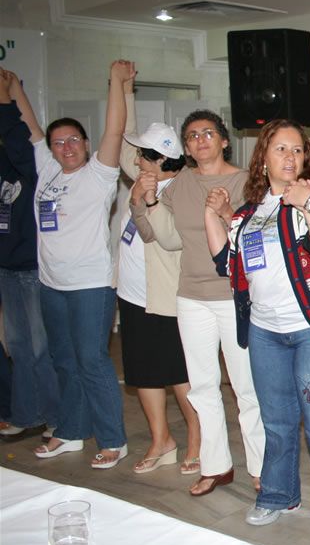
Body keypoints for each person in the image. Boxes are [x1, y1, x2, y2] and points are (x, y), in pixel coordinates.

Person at [204, 118, 310, 537]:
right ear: (263, 158)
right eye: (280, 149)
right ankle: (278, 494)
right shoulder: (250, 212)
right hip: (265, 333)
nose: (290, 157)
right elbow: (228, 264)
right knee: (275, 420)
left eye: (297, 149)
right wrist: (214, 215)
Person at [131, 110, 264, 494]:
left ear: (223, 140)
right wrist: (147, 202)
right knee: (202, 387)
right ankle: (216, 465)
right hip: (191, 297)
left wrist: (227, 213)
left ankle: (261, 467)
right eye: (192, 135)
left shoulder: (246, 182)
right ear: (186, 148)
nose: (200, 139)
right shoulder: (181, 184)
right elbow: (164, 238)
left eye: (208, 133)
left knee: (246, 388)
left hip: (234, 296)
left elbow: (255, 240)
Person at [28, 60, 134, 467]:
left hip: (90, 286)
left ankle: (113, 440)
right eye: (59, 142)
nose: (66, 147)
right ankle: (71, 431)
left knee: (91, 360)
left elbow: (114, 130)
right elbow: (32, 129)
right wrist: (14, 91)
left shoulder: (98, 175)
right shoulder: (48, 172)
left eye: (73, 139)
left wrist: (116, 82)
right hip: (51, 284)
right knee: (64, 360)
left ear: (86, 144)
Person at [119, 118, 200, 474]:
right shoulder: (144, 179)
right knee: (144, 373)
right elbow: (123, 150)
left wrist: (146, 200)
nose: (136, 161)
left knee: (180, 373)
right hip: (132, 294)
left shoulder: (185, 189)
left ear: (160, 159)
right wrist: (124, 92)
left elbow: (165, 238)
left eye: (142, 155)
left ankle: (197, 439)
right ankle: (161, 440)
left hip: (166, 296)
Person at [0, 68, 59, 441]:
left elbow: (20, 132)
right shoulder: (5, 165)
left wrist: (8, 94)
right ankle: (26, 413)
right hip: (7, 269)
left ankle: (54, 417)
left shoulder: (37, 168)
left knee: (40, 348)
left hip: (33, 270)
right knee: (19, 347)